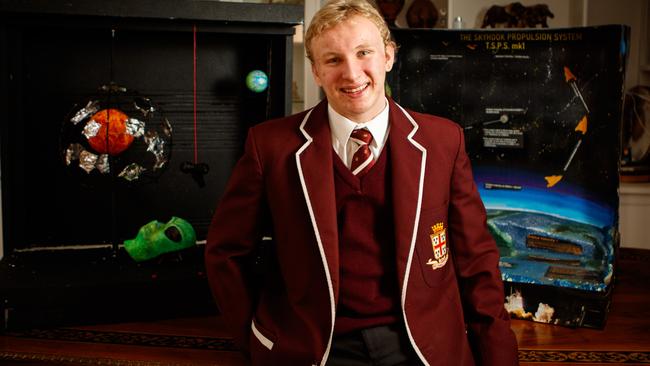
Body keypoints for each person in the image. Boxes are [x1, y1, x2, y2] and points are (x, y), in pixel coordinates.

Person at [205, 0, 519, 364]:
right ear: (316, 72)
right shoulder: (270, 146)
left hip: (420, 343)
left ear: (388, 55)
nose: (352, 74)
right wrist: (254, 338)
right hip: (312, 344)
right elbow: (225, 253)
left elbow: (476, 259)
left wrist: (499, 357)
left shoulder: (442, 141)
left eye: (364, 53)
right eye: (333, 60)